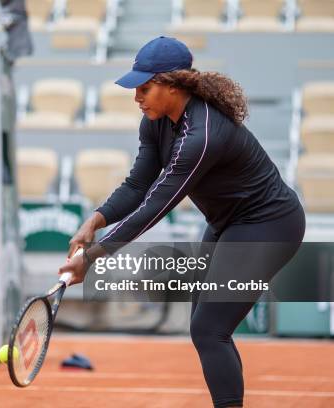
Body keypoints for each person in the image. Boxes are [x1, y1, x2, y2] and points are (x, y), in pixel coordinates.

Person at [59, 36, 305, 408]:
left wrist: (91, 258)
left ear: (173, 85)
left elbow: (155, 206)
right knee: (207, 329)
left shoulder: (202, 135)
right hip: (227, 224)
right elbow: (138, 184)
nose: (137, 97)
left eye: (144, 88)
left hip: (270, 226)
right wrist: (93, 221)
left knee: (210, 329)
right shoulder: (156, 122)